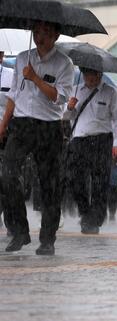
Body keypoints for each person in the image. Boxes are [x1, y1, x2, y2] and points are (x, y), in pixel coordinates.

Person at [0, 21, 74, 255]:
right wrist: (3, 124)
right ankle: (20, 231)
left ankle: (47, 238)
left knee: (49, 184)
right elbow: (13, 93)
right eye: (36, 32)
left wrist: (35, 78)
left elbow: (59, 98)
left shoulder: (64, 64)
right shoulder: (23, 57)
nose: (40, 37)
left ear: (56, 35)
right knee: (7, 174)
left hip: (48, 126)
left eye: (45, 33)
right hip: (21, 125)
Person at [64, 67, 117, 234]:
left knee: (100, 182)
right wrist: (69, 107)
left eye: (91, 74)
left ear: (99, 74)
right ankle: (85, 212)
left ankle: (95, 219)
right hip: (79, 140)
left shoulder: (111, 92)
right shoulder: (76, 91)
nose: (88, 78)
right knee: (74, 178)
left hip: (102, 140)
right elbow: (66, 117)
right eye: (85, 74)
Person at [0, 50, 14, 233]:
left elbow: (15, 103)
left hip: (7, 133)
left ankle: (10, 217)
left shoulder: (12, 76)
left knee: (7, 176)